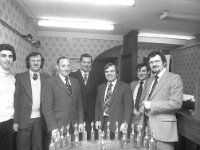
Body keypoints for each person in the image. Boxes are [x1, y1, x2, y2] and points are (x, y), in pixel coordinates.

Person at [143, 51, 183, 150]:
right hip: (148, 128)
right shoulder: (150, 80)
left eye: (157, 61)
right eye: (151, 62)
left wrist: (152, 105)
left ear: (164, 62)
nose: (154, 64)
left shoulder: (174, 78)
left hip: (164, 130)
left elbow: (176, 103)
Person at [42, 57, 84, 139]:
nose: (66, 68)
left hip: (74, 127)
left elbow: (79, 104)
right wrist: (53, 127)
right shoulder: (49, 82)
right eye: (63, 66)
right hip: (58, 127)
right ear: (57, 67)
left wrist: (81, 122)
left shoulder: (75, 82)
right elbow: (47, 108)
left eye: (68, 66)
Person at [14, 52, 47, 150]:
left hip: (40, 120)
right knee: (22, 147)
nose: (36, 63)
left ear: (41, 63)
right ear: (28, 62)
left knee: (38, 147)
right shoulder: (19, 77)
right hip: (24, 120)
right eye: (33, 60)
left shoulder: (46, 77)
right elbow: (15, 100)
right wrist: (15, 121)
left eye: (38, 60)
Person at [95, 63, 133, 139]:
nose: (109, 73)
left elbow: (129, 108)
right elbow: (98, 106)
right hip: (103, 125)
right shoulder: (101, 87)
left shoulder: (125, 87)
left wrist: (125, 123)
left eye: (112, 71)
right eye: (107, 71)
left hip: (118, 125)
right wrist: (97, 120)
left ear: (117, 73)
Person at [70, 53, 99, 140]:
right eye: (84, 62)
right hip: (77, 115)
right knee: (77, 140)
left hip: (91, 115)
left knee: (90, 140)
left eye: (88, 62)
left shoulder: (95, 77)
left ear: (91, 64)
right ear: (80, 62)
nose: (86, 64)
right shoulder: (72, 76)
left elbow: (97, 96)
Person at [0, 44, 17, 150]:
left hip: (9, 122)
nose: (7, 59)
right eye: (3, 56)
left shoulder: (13, 79)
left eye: (10, 56)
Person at [130, 63, 150, 128]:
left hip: (144, 118)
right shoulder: (132, 84)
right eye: (139, 71)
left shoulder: (151, 85)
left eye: (143, 71)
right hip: (132, 118)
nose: (141, 73)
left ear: (148, 72)